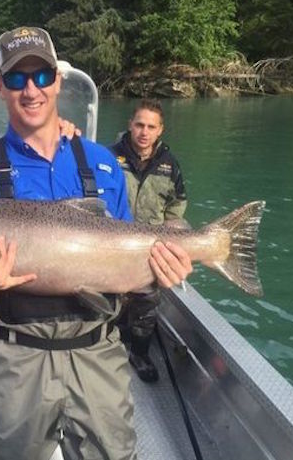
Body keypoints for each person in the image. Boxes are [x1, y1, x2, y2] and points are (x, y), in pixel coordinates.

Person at [0, 26, 193, 460]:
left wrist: (160, 272)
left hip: (98, 351)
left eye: (41, 77)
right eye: (16, 79)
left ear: (58, 81)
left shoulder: (102, 162)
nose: (31, 90)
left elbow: (124, 252)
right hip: (13, 361)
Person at [111, 99, 188, 383]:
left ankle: (140, 354)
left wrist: (172, 240)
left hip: (153, 249)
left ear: (160, 131)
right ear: (130, 125)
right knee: (113, 303)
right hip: (113, 248)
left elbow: (177, 205)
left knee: (146, 307)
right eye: (139, 124)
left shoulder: (169, 164)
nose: (144, 132)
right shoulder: (109, 158)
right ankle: (111, 354)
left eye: (151, 127)